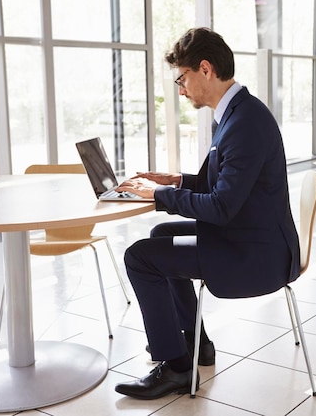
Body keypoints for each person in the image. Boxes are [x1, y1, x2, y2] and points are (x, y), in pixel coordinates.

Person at [113, 27, 300, 400]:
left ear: (205, 69)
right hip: (250, 235)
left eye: (181, 78)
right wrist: (178, 180)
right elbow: (224, 185)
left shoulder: (244, 123)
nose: (181, 89)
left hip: (255, 254)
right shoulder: (236, 113)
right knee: (161, 236)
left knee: (139, 258)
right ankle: (195, 341)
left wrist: (161, 194)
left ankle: (178, 368)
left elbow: (221, 206)